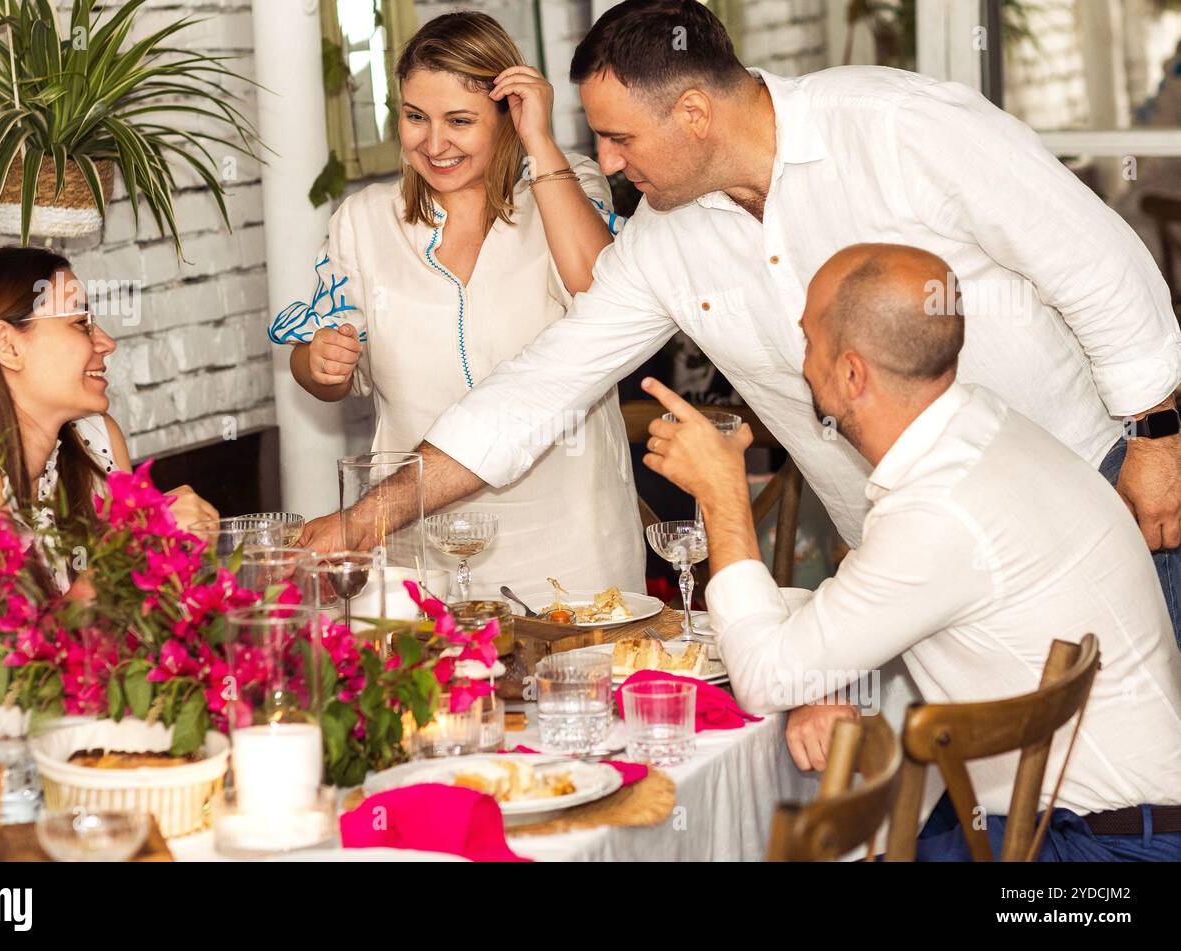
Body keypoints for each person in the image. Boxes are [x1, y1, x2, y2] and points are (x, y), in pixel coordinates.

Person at [303, 0, 1181, 644]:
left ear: (692, 112)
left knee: (1142, 780)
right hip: (905, 545)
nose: (605, 164)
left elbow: (1096, 262)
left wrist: (1157, 437)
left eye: (617, 140)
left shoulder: (899, 127)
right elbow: (536, 389)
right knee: (997, 786)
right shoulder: (663, 241)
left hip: (1096, 480)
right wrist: (361, 521)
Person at [643, 243, 1181, 861]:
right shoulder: (985, 428)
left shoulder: (940, 505)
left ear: (851, 374)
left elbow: (765, 678)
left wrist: (723, 500)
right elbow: (887, 585)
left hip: (1101, 854)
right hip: (1091, 817)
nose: (802, 361)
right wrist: (824, 673)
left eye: (808, 340)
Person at [273, 12, 643, 596]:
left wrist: (540, 142)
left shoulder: (565, 185)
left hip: (571, 547)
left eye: (460, 120)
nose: (434, 142)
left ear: (507, 117)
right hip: (419, 553)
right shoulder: (364, 222)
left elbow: (607, 297)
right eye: (416, 117)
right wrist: (317, 362)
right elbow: (323, 376)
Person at [0, 248, 217, 755]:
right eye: (81, 323)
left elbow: (135, 624)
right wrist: (132, 552)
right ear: (6, 345)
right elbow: (22, 670)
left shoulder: (96, 441)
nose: (106, 342)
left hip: (49, 743)